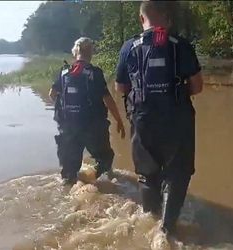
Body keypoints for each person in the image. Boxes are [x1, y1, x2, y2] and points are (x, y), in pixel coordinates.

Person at [115, 1, 203, 235]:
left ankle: (149, 222)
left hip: (142, 120)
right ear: (165, 16)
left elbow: (120, 88)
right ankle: (166, 230)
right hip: (177, 120)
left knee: (147, 173)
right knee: (177, 172)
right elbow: (197, 86)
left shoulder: (128, 47)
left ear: (141, 18)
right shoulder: (181, 45)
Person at [49, 37, 125, 185]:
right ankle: (100, 183)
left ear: (75, 52)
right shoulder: (95, 73)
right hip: (93, 127)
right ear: (90, 52)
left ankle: (72, 188)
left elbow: (52, 94)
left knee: (68, 172)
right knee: (105, 159)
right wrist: (119, 121)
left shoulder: (64, 72)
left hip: (68, 127)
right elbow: (108, 99)